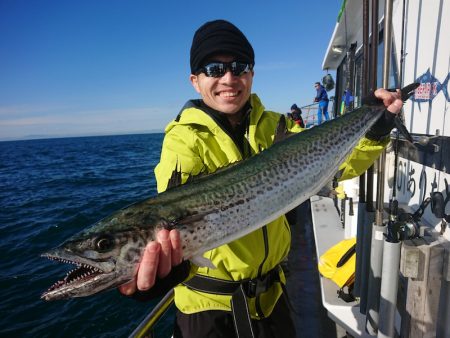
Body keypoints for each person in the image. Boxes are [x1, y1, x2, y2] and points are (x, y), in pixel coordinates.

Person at [119, 19, 404, 338]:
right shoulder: (183, 142)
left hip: (274, 297)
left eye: (239, 66)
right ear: (195, 81)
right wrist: (161, 271)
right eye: (214, 69)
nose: (229, 78)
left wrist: (374, 126)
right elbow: (174, 223)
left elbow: (337, 167)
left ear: (251, 74)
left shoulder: (277, 126)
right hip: (211, 311)